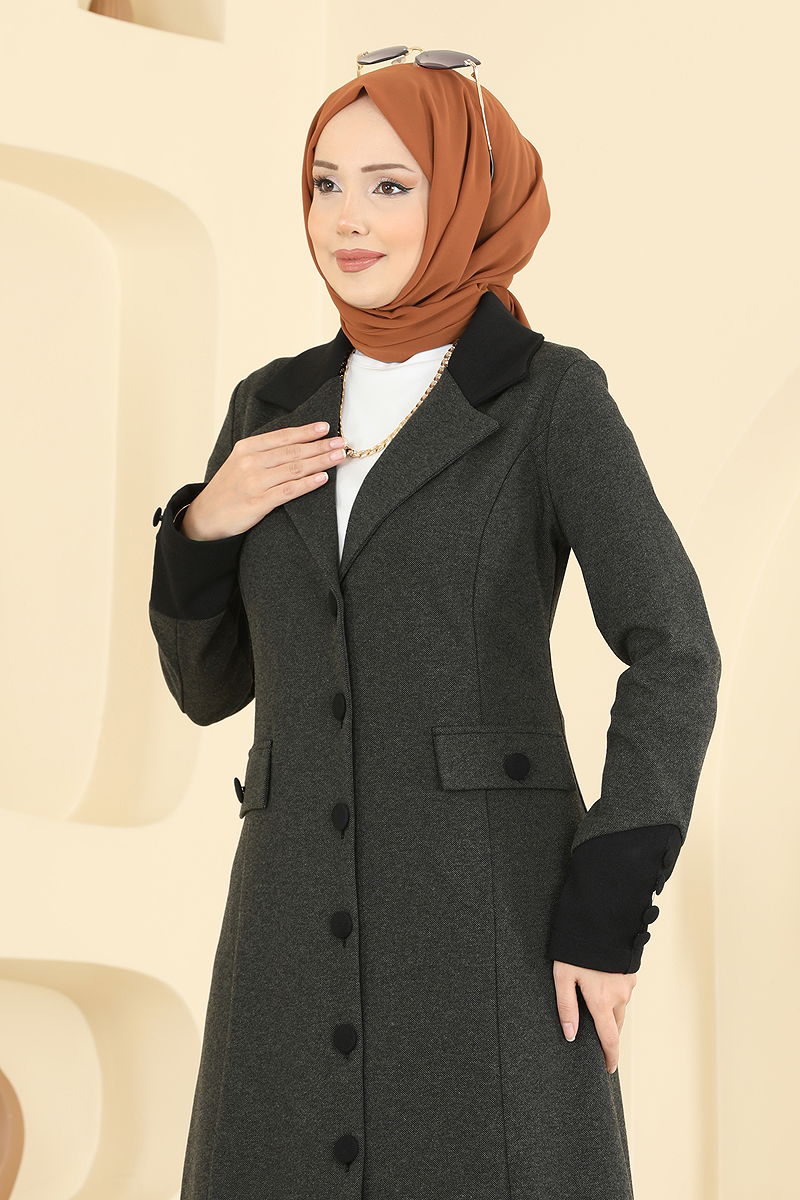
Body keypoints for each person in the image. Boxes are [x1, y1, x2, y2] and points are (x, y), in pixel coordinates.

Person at [148, 53, 722, 1200]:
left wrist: (607, 902)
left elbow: (673, 648)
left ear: (465, 195)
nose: (346, 219)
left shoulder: (549, 400)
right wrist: (202, 525)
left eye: (389, 186)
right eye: (325, 183)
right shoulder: (270, 404)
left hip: (488, 913)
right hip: (284, 918)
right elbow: (209, 689)